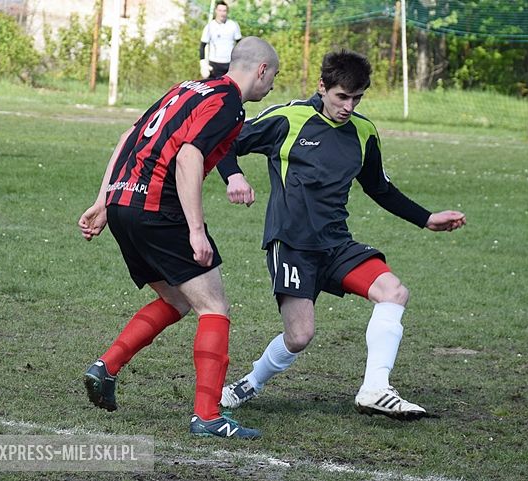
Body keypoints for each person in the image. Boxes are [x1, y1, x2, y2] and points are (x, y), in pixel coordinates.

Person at [216, 49, 466, 421]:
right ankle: (250, 382)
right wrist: (233, 175)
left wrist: (426, 218)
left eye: (357, 98)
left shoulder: (363, 133)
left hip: (337, 245)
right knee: (299, 336)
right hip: (292, 245)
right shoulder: (289, 118)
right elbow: (224, 143)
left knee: (393, 292)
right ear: (322, 87)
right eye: (341, 97)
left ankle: (375, 388)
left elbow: (379, 188)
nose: (348, 106)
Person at [78, 37, 278, 439]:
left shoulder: (187, 88)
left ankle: (106, 367)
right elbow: (189, 156)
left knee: (176, 299)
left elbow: (129, 135)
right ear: (261, 70)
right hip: (158, 209)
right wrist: (196, 231)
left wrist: (104, 200)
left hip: (124, 203)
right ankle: (207, 416)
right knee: (214, 307)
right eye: (273, 76)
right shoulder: (228, 102)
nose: (272, 85)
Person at [199, 1, 242, 79]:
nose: (222, 13)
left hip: (230, 64)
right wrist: (203, 64)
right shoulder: (210, 26)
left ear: (227, 12)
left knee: (229, 88)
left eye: (224, 11)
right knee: (215, 88)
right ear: (216, 11)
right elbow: (202, 46)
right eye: (220, 10)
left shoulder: (233, 25)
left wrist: (240, 61)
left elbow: (240, 44)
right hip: (215, 64)